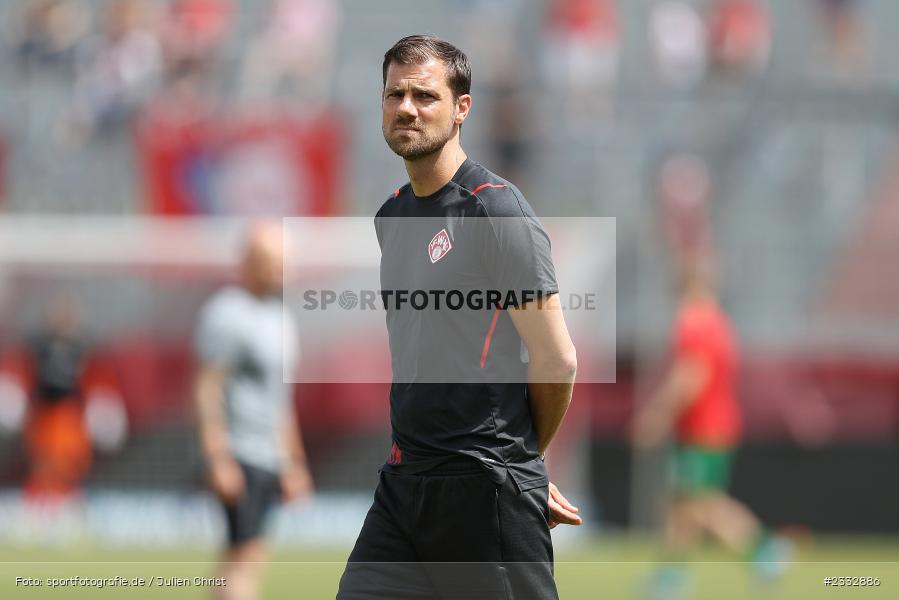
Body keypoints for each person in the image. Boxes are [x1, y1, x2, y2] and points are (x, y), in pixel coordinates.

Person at [336, 35, 580, 600]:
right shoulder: (391, 216)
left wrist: (521, 466)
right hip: (403, 486)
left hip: (484, 486)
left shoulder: (496, 211)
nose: (406, 107)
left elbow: (556, 358)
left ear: (462, 108)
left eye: (425, 96)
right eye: (395, 94)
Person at [632, 259, 792, 598]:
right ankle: (672, 576)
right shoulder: (718, 322)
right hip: (712, 427)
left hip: (703, 430)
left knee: (699, 505)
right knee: (682, 504)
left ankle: (765, 550)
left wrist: (657, 415)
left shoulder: (695, 323)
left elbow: (690, 378)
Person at [194, 222, 313, 600]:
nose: (282, 270)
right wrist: (218, 458)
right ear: (249, 263)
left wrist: (293, 462)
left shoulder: (280, 318)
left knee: (247, 556)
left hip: (269, 456)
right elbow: (207, 387)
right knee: (244, 557)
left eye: (284, 262)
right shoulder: (229, 312)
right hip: (241, 452)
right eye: (273, 262)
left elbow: (280, 400)